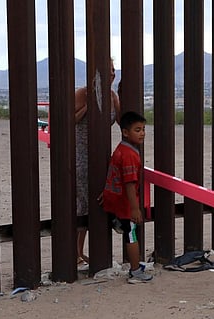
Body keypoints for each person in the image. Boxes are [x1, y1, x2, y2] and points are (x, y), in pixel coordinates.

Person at [74, 59, 121, 266]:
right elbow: (70, 119)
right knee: (82, 201)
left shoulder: (112, 96)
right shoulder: (82, 93)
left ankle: (96, 251)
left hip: (102, 154)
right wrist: (89, 105)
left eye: (113, 70)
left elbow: (121, 121)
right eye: (108, 70)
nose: (112, 73)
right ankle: (76, 252)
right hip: (81, 154)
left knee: (99, 199)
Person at [102, 111, 153, 284]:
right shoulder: (130, 155)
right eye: (137, 130)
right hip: (125, 204)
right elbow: (130, 183)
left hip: (114, 199)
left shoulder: (121, 149)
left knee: (129, 232)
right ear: (125, 132)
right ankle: (135, 271)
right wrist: (134, 208)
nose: (142, 133)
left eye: (143, 129)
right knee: (131, 235)